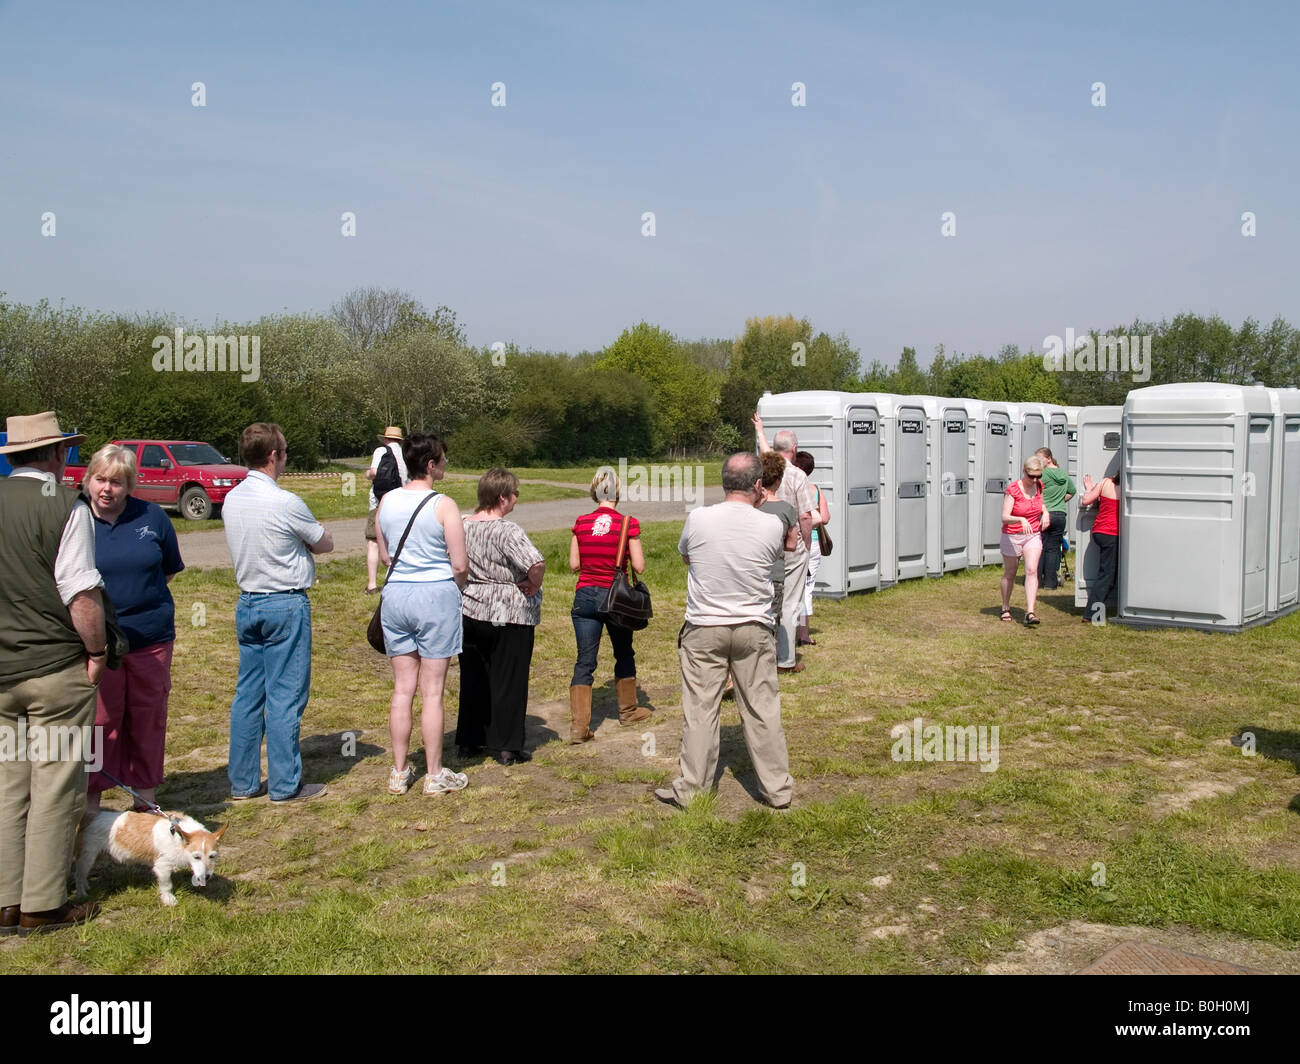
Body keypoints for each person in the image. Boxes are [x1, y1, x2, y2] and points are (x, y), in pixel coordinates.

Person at [0, 411, 103, 934]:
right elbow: (81, 595)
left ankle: (4, 901)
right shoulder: (67, 506)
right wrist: (99, 651)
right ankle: (41, 903)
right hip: (55, 666)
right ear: (58, 455)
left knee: (8, 785)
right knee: (56, 784)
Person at [655, 452, 792, 810]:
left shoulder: (698, 518)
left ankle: (692, 789)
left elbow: (687, 555)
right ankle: (777, 789)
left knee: (700, 709)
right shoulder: (770, 525)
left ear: (723, 482)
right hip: (754, 625)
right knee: (762, 708)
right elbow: (774, 556)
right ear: (758, 486)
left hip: (704, 626)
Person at [222, 422, 334, 803]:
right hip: (285, 602)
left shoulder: (233, 499)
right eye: (284, 452)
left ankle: (243, 782)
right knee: (285, 695)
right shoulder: (286, 502)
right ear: (274, 456)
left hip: (249, 600)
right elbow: (323, 543)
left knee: (248, 694)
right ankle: (286, 784)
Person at [82, 444, 184, 816]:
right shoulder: (74, 519)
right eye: (100, 479)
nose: (107, 489)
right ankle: (91, 801)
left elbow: (168, 569)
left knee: (147, 715)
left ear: (130, 485)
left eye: (117, 482)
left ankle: (145, 798)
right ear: (88, 479)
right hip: (96, 644)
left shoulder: (153, 517)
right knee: (100, 721)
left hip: (150, 638)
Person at [375, 432, 470, 796]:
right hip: (435, 596)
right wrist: (454, 584)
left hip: (396, 594)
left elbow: (385, 555)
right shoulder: (443, 505)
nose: (445, 464)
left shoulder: (386, 501)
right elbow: (459, 563)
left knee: (403, 689)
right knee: (432, 692)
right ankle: (434, 773)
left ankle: (398, 772)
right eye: (443, 459)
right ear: (430, 465)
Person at [457, 468, 545, 766]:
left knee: (474, 676)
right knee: (509, 678)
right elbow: (535, 563)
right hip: (509, 611)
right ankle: (507, 745)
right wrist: (534, 583)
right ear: (502, 497)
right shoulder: (508, 530)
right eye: (515, 493)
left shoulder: (461, 525)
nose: (517, 499)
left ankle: (470, 739)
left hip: (470, 607)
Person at [567, 468, 650, 744]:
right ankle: (627, 711)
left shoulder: (580, 522)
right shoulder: (628, 523)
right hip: (614, 599)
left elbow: (574, 565)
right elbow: (638, 566)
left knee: (585, 661)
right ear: (618, 492)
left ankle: (579, 727)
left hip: (584, 596)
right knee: (623, 652)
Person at [751, 413, 816, 673]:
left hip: (764, 546)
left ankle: (760, 656)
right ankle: (786, 660)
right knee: (790, 603)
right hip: (792, 545)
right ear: (795, 449)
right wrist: (807, 544)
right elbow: (805, 516)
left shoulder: (762, 469)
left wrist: (759, 430)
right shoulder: (798, 476)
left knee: (765, 599)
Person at [999, 455, 1049, 627]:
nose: (1034, 480)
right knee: (1010, 573)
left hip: (1033, 534)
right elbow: (1005, 517)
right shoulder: (1013, 489)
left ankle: (1030, 611)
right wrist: (1020, 519)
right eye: (1031, 476)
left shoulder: (1039, 486)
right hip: (1012, 535)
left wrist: (1046, 512)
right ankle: (1005, 606)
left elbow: (1040, 503)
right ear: (1024, 472)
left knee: (1031, 570)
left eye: (1038, 476)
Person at [758, 452, 800, 640]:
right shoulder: (786, 510)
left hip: (750, 572)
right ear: (779, 480)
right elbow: (791, 545)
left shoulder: (751, 506)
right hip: (774, 573)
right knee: (772, 619)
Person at [365, 426, 408, 594]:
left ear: (385, 439)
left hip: (380, 502)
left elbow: (375, 472)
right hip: (402, 501)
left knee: (373, 542)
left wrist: (367, 474)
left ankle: (372, 584)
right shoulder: (405, 454)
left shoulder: (381, 450)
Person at [792, 450, 829, 646]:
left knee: (791, 587)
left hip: (794, 542)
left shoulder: (791, 488)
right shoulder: (816, 490)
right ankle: (804, 634)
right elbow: (825, 518)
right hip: (814, 543)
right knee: (807, 588)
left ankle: (789, 632)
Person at [1080, 469, 1121, 623]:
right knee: (1107, 576)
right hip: (1112, 534)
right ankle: (1091, 614)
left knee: (1109, 574)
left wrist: (1089, 488)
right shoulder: (1125, 488)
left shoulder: (1105, 482)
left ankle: (1096, 611)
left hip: (1099, 531)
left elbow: (1085, 500)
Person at [1034, 447, 1076, 591]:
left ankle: (1037, 581)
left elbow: (1034, 490)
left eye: (1040, 459)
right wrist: (1060, 501)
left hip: (1045, 514)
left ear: (1049, 459)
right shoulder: (1063, 474)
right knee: (1053, 549)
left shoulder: (1043, 474)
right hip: (1060, 515)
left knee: (1039, 547)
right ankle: (1050, 583)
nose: (1037, 462)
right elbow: (1072, 491)